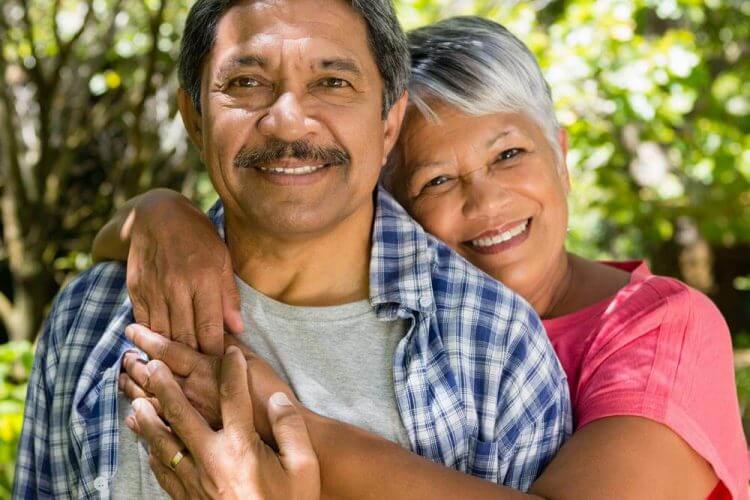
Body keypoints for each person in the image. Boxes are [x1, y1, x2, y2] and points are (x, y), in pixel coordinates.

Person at [98, 15, 749, 500]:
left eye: (509, 155)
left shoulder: (659, 326)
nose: (485, 200)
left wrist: (276, 420)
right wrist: (158, 213)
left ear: (562, 152)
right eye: (437, 180)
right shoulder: (399, 330)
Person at [13, 2, 571, 499]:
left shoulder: (495, 345)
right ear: (195, 119)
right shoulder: (94, 315)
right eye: (247, 82)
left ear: (388, 123)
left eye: (332, 82)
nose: (288, 121)